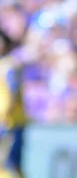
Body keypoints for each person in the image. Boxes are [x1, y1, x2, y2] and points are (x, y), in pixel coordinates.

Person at [0, 30, 26, 178]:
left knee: (9, 161)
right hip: (6, 120)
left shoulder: (9, 65)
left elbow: (12, 92)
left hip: (10, 121)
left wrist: (5, 114)